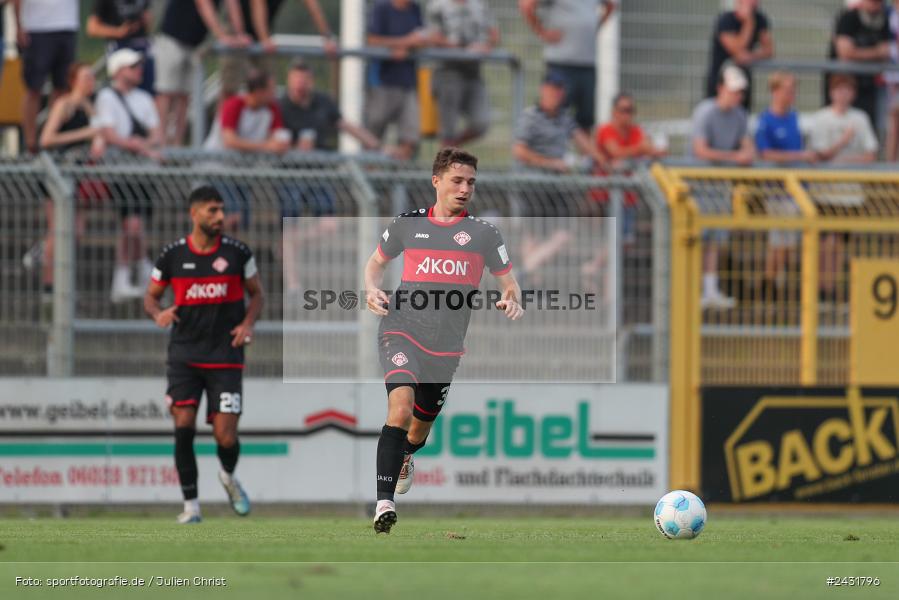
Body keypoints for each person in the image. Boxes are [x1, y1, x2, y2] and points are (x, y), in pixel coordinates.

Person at [364, 148, 523, 533]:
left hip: (446, 348)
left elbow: (509, 281)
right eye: (457, 180)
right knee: (399, 409)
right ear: (436, 181)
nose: (465, 188)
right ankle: (384, 504)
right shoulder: (407, 225)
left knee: (417, 432)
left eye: (471, 182)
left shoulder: (485, 234)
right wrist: (372, 289)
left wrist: (511, 298)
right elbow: (376, 263)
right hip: (401, 329)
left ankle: (405, 456)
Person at [144, 185, 264, 525]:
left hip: (226, 355)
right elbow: (150, 298)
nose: (220, 217)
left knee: (225, 436)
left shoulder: (238, 253)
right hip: (184, 356)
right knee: (183, 425)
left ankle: (228, 477)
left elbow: (257, 294)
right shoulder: (172, 256)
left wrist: (247, 323)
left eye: (221, 210)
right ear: (194, 214)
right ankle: (191, 507)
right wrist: (158, 314)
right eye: (212, 211)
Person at [23, 63, 104, 301]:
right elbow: (47, 139)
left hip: (77, 175)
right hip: (57, 174)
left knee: (76, 231)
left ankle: (61, 278)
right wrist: (85, 135)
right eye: (86, 77)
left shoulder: (91, 108)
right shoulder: (64, 105)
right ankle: (50, 286)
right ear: (74, 80)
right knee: (58, 230)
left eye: (92, 77)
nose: (91, 81)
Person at [95, 48, 163, 302]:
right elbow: (110, 133)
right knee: (131, 225)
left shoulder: (144, 98)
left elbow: (157, 133)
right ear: (118, 70)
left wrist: (140, 145)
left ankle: (136, 271)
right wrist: (136, 145)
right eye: (132, 66)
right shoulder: (106, 97)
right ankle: (129, 272)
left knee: (138, 225)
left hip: (143, 171)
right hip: (121, 171)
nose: (138, 70)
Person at [691, 65, 753, 310]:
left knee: (714, 240)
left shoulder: (740, 115)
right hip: (697, 186)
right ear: (720, 89)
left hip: (719, 187)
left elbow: (748, 146)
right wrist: (734, 158)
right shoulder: (705, 112)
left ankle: (710, 290)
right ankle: (693, 288)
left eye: (740, 92)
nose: (737, 96)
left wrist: (745, 153)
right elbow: (700, 149)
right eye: (733, 91)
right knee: (697, 239)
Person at [154, 0, 251, 146]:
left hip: (194, 43)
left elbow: (232, 4)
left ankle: (176, 146)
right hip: (172, 37)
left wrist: (239, 34)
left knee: (184, 96)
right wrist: (222, 36)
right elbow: (203, 4)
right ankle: (159, 144)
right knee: (166, 93)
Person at [204, 69, 289, 232]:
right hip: (218, 168)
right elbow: (230, 140)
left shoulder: (272, 108)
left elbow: (279, 138)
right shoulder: (235, 104)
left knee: (242, 219)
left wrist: (278, 144)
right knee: (232, 214)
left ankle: (228, 252)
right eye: (270, 89)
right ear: (258, 92)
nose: (274, 93)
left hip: (241, 171)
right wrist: (267, 145)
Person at [519, 0, 617, 132]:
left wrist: (595, 26)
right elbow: (526, 5)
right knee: (553, 116)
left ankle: (585, 153)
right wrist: (541, 32)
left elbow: (612, 4)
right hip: (560, 63)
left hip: (587, 63)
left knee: (585, 120)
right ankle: (549, 152)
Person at [220, 0, 337, 99]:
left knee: (268, 85)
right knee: (231, 85)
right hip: (236, 28)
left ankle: (266, 123)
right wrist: (261, 38)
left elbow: (313, 7)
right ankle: (224, 123)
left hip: (262, 29)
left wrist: (327, 38)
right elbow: (257, 4)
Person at [425, 0, 499, 147]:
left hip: (473, 73)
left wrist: (485, 46)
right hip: (448, 72)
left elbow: (494, 35)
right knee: (448, 131)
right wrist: (462, 48)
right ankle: (446, 159)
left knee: (481, 123)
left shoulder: (480, 5)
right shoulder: (437, 6)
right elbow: (432, 37)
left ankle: (452, 147)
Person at [12, 0, 80, 154]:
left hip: (67, 26)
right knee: (33, 89)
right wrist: (19, 26)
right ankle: (30, 144)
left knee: (62, 88)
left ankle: (50, 136)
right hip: (37, 28)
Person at [366, 0, 430, 160]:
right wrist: (404, 42)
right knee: (373, 138)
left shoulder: (415, 9)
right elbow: (373, 40)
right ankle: (369, 177)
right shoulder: (381, 8)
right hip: (382, 82)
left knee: (410, 138)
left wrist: (410, 45)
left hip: (408, 83)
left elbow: (421, 39)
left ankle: (398, 181)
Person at [512, 71, 607, 175]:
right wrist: (551, 163)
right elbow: (519, 151)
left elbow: (584, 142)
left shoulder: (565, 117)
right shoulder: (529, 116)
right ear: (543, 89)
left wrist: (603, 161)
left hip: (558, 181)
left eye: (560, 88)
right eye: (553, 88)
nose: (556, 93)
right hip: (533, 181)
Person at [828, 0, 891, 129]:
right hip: (845, 84)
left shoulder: (884, 20)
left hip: (870, 89)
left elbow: (888, 51)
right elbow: (845, 53)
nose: (876, 5)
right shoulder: (849, 17)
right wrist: (876, 52)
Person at [705, 0, 773, 111]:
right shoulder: (725, 20)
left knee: (741, 115)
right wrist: (749, 23)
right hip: (721, 80)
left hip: (742, 80)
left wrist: (751, 57)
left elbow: (768, 50)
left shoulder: (760, 19)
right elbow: (738, 50)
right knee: (718, 114)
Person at [809, 73, 879, 165]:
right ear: (831, 92)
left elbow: (871, 156)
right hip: (827, 177)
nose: (843, 94)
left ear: (854, 93)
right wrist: (843, 141)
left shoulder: (861, 117)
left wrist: (840, 160)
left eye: (847, 90)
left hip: (856, 176)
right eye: (839, 89)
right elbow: (820, 156)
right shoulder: (821, 117)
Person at [87, 0, 155, 93]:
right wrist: (118, 32)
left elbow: (147, 19)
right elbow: (92, 28)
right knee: (123, 86)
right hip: (119, 47)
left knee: (149, 87)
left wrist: (142, 21)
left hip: (141, 46)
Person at [755, 71, 817, 165]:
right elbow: (765, 154)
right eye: (787, 90)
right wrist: (800, 156)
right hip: (775, 177)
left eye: (794, 90)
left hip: (796, 176)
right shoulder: (764, 120)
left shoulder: (796, 117)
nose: (792, 94)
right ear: (774, 91)